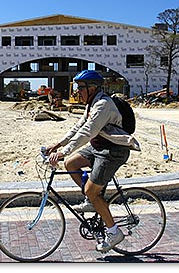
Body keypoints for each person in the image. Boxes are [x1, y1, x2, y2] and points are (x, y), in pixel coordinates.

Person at [46, 70, 141, 253]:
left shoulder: (103, 105)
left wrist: (63, 152)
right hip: (98, 148)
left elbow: (87, 132)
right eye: (77, 87)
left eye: (80, 88)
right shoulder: (92, 104)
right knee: (71, 164)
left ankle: (114, 232)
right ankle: (92, 200)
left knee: (91, 189)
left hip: (113, 151)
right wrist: (57, 145)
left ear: (93, 88)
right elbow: (77, 127)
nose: (77, 92)